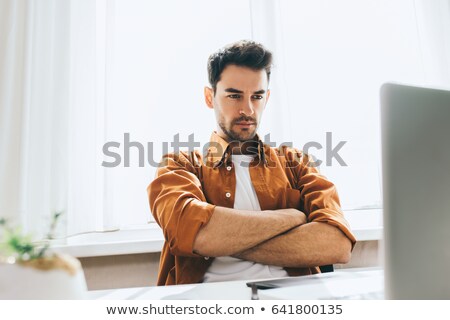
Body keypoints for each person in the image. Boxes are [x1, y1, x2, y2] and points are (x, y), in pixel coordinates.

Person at [148, 40, 356, 286]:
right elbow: (192, 234)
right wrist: (292, 218)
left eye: (256, 96)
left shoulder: (297, 163)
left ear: (266, 98)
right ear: (209, 96)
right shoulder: (179, 165)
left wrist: (223, 239)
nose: (247, 109)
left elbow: (336, 244)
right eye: (234, 96)